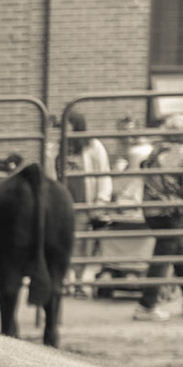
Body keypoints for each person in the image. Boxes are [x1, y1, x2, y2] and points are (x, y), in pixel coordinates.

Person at [136, 113, 183, 321]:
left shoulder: (155, 150)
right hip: (172, 209)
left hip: (151, 210)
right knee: (163, 258)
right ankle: (146, 306)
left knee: (179, 252)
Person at [63, 112, 113, 295]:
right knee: (62, 243)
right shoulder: (56, 147)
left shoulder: (93, 146)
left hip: (83, 203)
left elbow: (103, 172)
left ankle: (76, 283)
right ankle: (63, 281)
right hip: (61, 204)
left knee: (80, 245)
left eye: (66, 124)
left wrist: (101, 199)